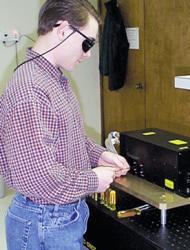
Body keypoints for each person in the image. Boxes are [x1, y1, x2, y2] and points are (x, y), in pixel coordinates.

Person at [0, 0, 130, 249]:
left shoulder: (53, 79)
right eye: (87, 42)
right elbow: (38, 177)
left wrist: (99, 155)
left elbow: (66, 136)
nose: (88, 53)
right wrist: (93, 180)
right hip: (44, 221)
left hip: (58, 217)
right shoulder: (31, 89)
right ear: (62, 30)